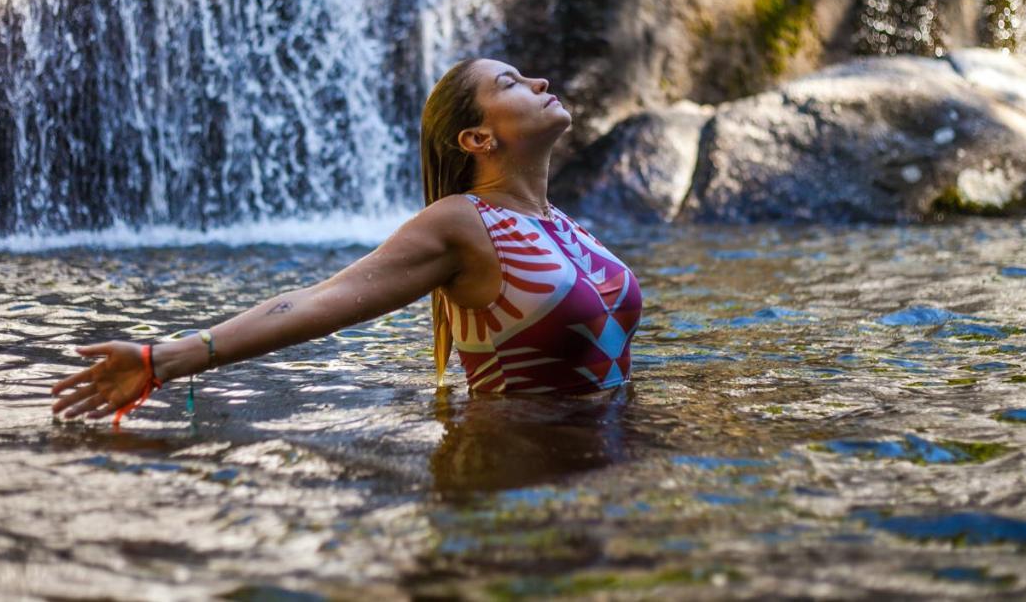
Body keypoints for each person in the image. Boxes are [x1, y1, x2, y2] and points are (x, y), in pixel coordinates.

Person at [50, 58, 643, 423]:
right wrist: (163, 359)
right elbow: (317, 301)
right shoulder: (461, 221)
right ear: (476, 138)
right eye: (512, 82)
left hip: (605, 468)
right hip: (516, 480)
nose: (540, 80)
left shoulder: (559, 223)